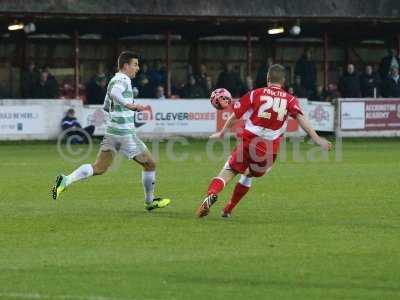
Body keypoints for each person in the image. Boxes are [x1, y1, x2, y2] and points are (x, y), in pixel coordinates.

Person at [196, 64, 332, 218]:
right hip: (268, 151)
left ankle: (212, 193)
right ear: (284, 81)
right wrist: (317, 139)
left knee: (228, 170)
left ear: (268, 78)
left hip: (248, 142)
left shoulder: (255, 94)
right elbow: (301, 118)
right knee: (249, 174)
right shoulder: (290, 99)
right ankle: (228, 209)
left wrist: (222, 132)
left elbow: (236, 115)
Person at [52, 51, 171, 211]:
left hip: (112, 132)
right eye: (135, 64)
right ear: (125, 66)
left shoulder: (112, 80)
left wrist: (124, 109)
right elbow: (116, 94)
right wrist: (129, 105)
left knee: (99, 168)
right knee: (150, 164)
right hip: (125, 134)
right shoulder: (123, 79)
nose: (138, 68)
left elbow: (107, 107)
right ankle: (150, 202)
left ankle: (66, 180)